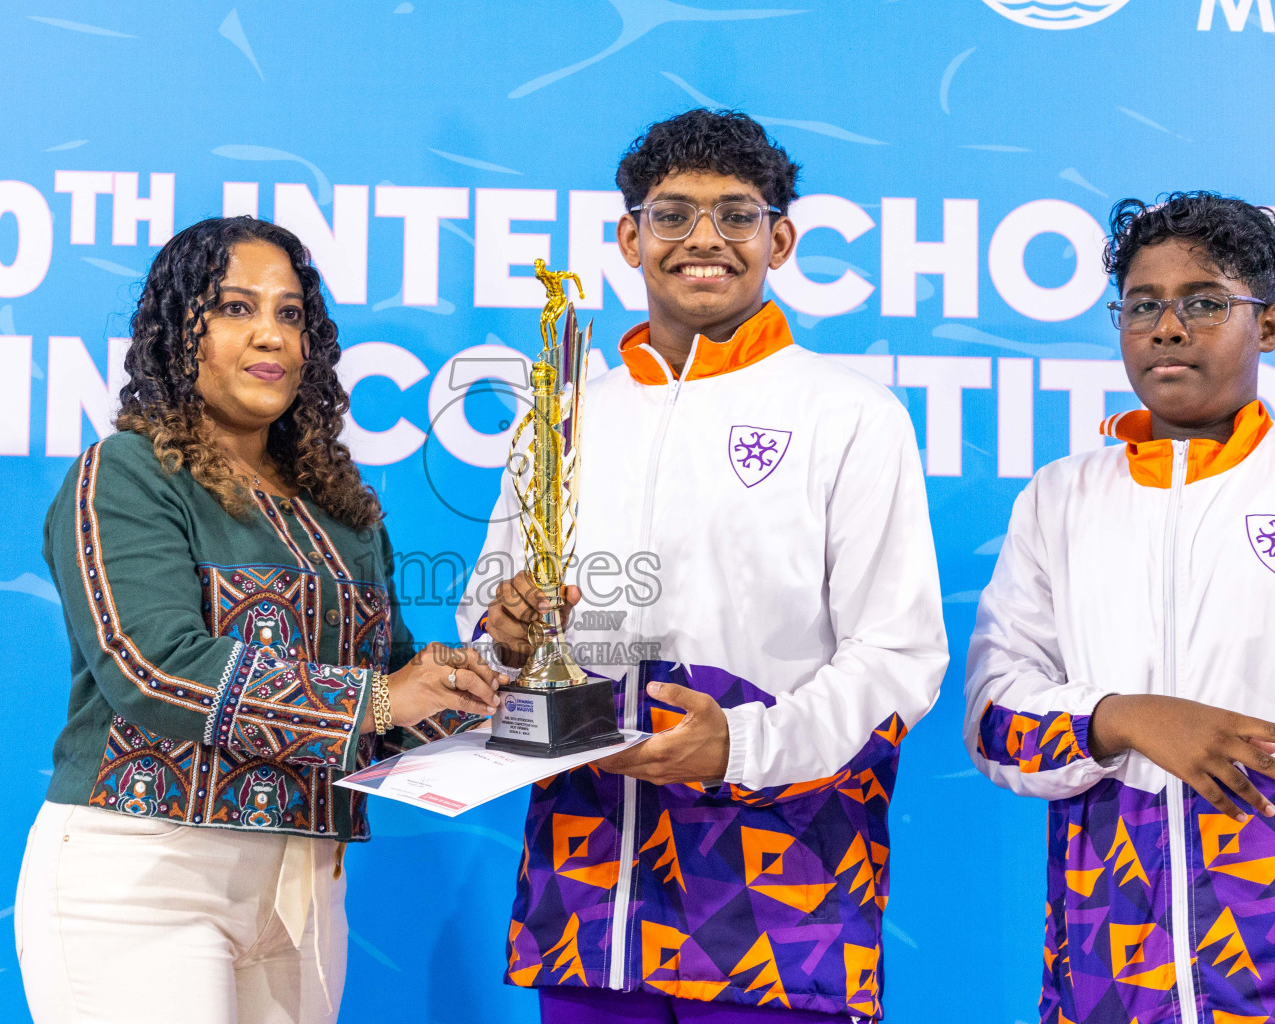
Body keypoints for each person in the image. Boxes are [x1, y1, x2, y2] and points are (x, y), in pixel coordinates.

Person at [459, 109, 948, 1022]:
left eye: (737, 214)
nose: (705, 240)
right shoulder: (567, 411)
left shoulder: (849, 414)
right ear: (630, 237)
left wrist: (742, 744)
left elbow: (899, 656)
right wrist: (508, 633)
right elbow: (486, 613)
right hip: (587, 895)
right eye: (674, 214)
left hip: (777, 899)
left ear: (782, 239)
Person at [15, 216, 505, 1024]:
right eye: (237, 308)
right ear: (181, 334)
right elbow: (153, 670)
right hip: (144, 877)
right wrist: (381, 701)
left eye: (289, 314)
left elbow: (394, 702)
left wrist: (496, 668)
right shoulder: (129, 475)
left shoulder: (342, 508)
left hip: (306, 890)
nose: (269, 335)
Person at [965, 192, 1275, 1024]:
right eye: (1143, 306)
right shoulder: (1061, 499)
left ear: (1269, 326)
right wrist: (1124, 717)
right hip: (1109, 972)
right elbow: (994, 720)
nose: (1167, 328)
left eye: (1205, 303)